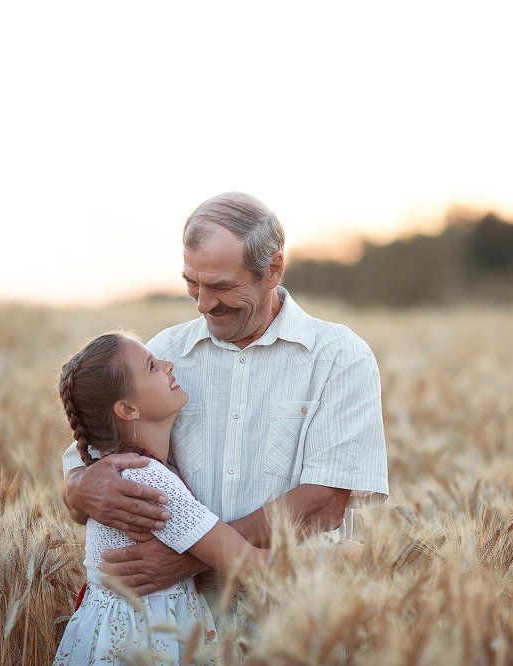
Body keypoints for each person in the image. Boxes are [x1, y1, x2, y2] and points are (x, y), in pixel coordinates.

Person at [61, 192, 389, 599]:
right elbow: (90, 463)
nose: (203, 304)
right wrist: (77, 487)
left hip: (295, 618)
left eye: (220, 286)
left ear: (273, 269)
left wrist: (192, 555)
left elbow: (326, 501)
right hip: (180, 635)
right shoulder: (162, 355)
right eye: (191, 284)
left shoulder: (339, 357)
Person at [53, 332, 265, 665]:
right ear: (127, 408)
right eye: (152, 367)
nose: (168, 365)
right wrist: (340, 558)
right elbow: (247, 563)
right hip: (148, 644)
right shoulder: (147, 481)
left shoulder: (116, 466)